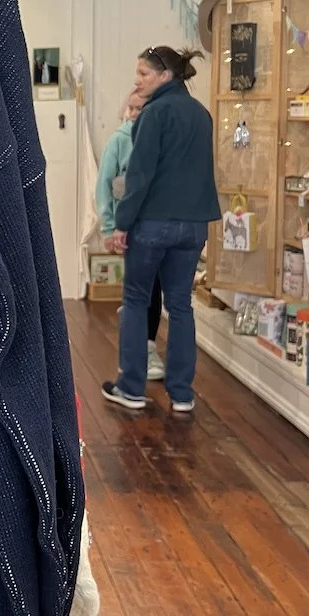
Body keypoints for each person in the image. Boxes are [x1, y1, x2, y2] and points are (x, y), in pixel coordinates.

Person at [101, 46, 220, 413]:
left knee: (137, 300)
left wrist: (122, 223)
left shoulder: (153, 114)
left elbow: (139, 176)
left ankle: (131, 388)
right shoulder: (201, 114)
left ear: (165, 75)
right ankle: (182, 394)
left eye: (144, 74)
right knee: (181, 305)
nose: (137, 81)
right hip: (194, 226)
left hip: (153, 224)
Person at [96, 89, 164, 381]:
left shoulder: (160, 139)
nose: (135, 114)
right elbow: (104, 186)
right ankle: (134, 353)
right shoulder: (119, 141)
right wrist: (109, 227)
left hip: (158, 225)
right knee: (139, 289)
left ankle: (147, 346)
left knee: (153, 287)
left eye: (141, 108)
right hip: (130, 228)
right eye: (132, 108)